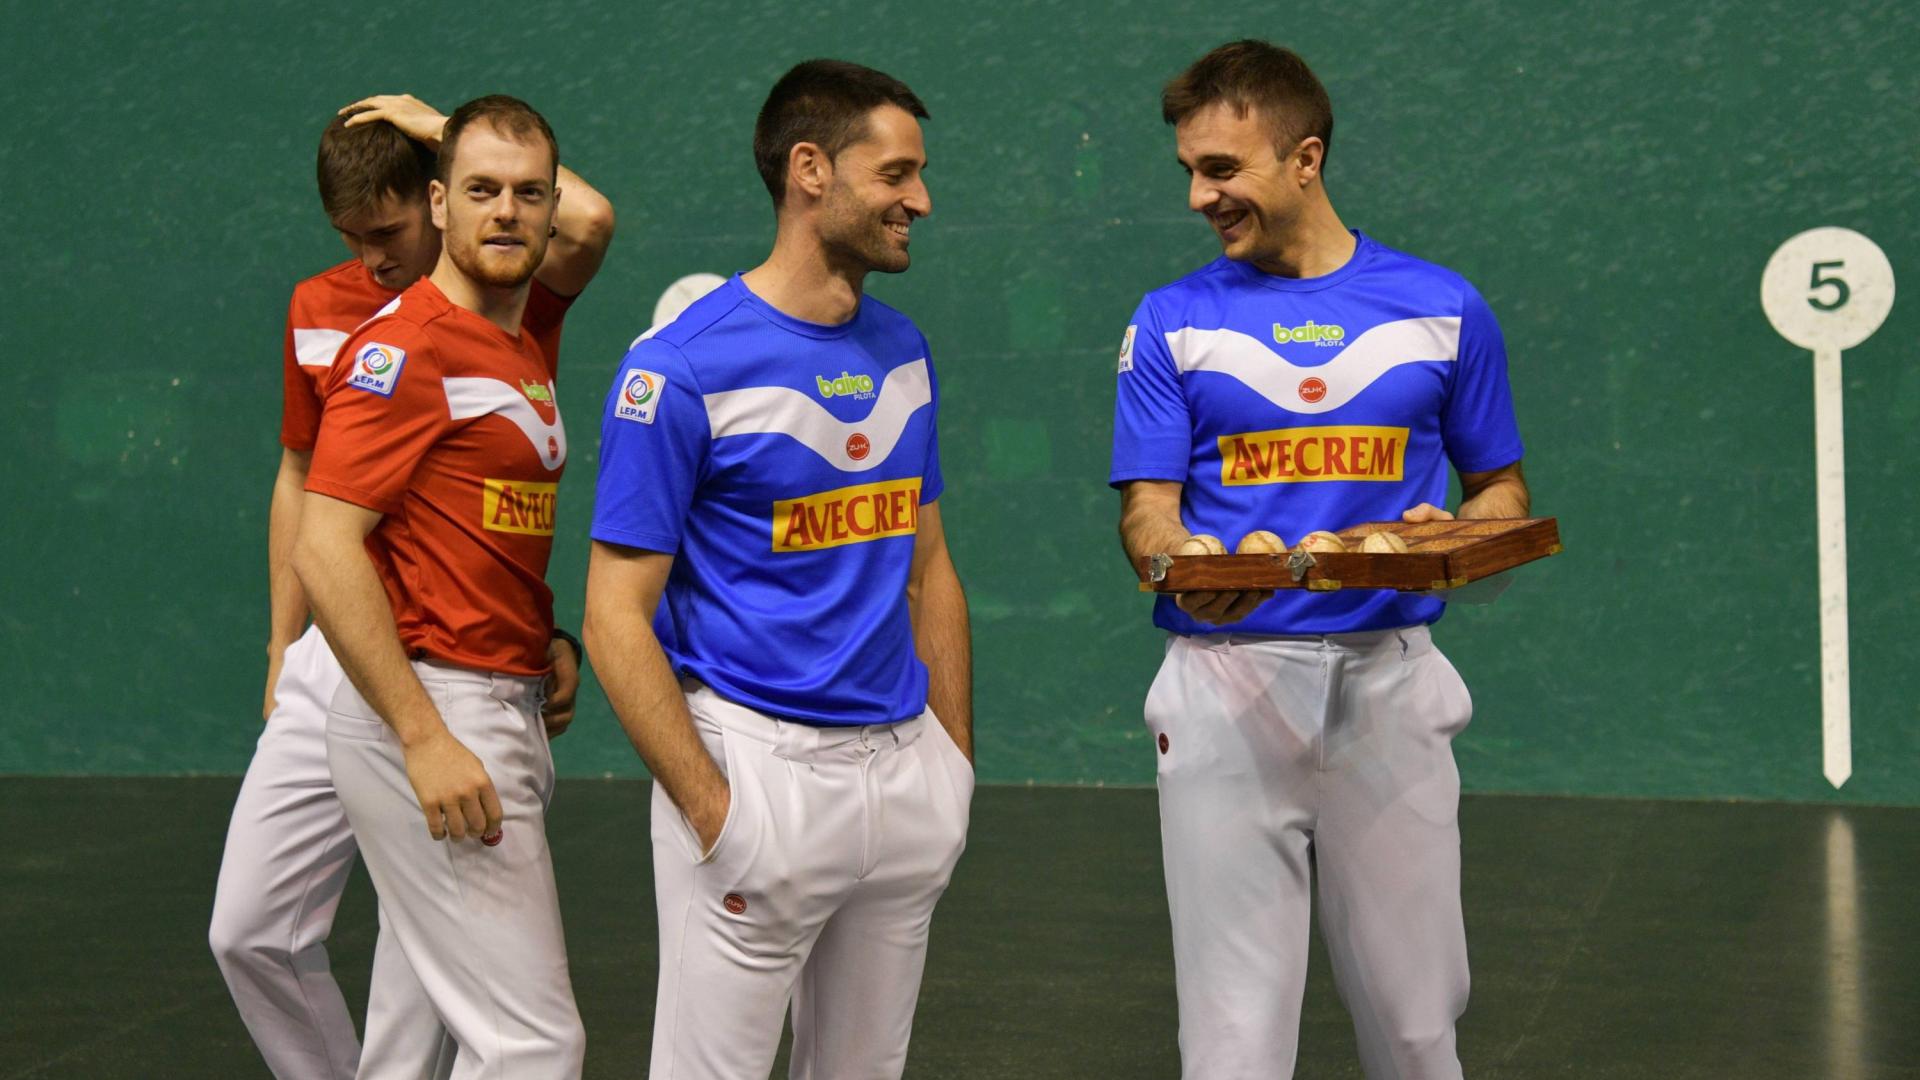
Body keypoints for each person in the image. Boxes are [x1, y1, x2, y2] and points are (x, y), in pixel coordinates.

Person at [1110, 40, 1531, 1080]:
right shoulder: (1172, 321)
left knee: (1419, 1017)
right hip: (1227, 685)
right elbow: (1147, 518)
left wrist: (1463, 544)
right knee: (1234, 1035)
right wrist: (1189, 564)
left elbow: (1501, 491)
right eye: (1191, 172)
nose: (1202, 196)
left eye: (1223, 169)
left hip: (1391, 680)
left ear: (1305, 158)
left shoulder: (1443, 308)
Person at [583, 59, 973, 1080]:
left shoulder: (904, 351)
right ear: (810, 170)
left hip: (903, 782)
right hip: (757, 773)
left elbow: (929, 567)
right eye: (896, 175)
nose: (920, 201)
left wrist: (952, 767)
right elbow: (615, 615)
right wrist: (714, 810)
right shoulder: (678, 369)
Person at [210, 94, 611, 1079]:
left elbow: (484, 523)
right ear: (442, 203)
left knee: (463, 1025)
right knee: (531, 1043)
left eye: (528, 194)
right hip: (418, 687)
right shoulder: (403, 347)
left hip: (488, 684)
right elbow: (323, 534)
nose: (508, 212)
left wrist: (544, 638)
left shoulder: (519, 341)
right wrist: (421, 732)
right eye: (481, 191)